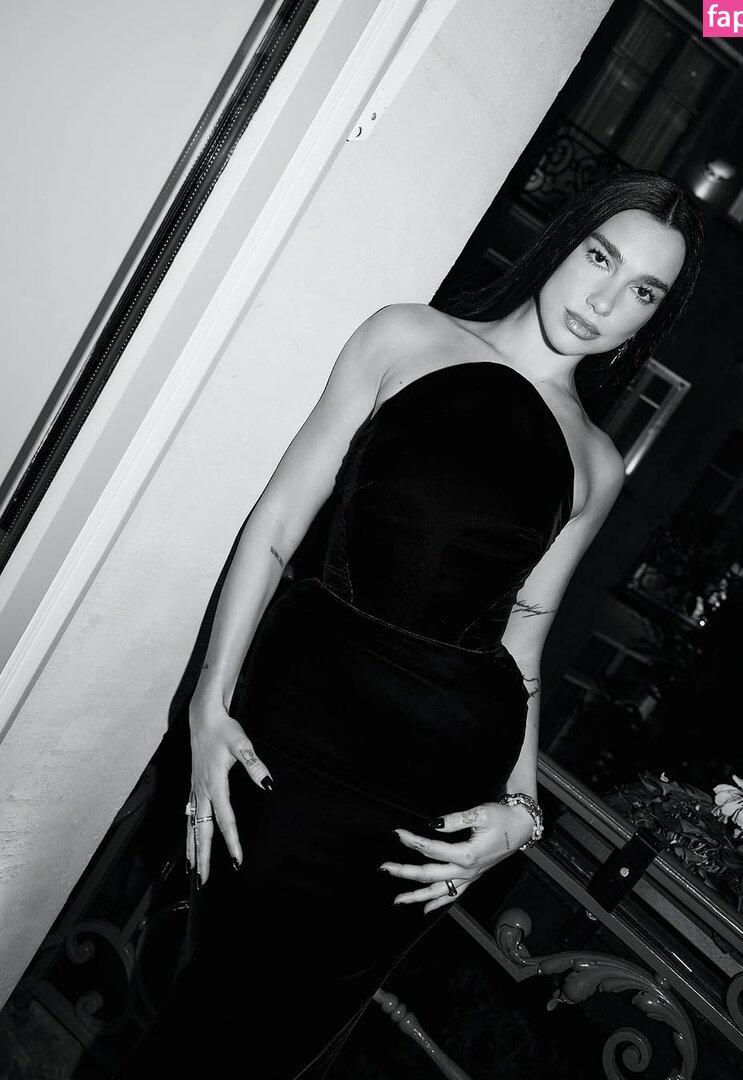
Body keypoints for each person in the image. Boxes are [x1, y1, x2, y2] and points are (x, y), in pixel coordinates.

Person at [114, 169, 703, 1078]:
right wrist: (209, 706)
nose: (603, 301)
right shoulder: (405, 336)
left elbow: (523, 641)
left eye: (641, 292)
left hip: (424, 793)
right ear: (565, 240)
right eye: (599, 258)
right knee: (207, 1009)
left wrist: (522, 810)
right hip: (295, 734)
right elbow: (277, 524)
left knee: (280, 1046)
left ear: (649, 320)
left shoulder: (594, 461)